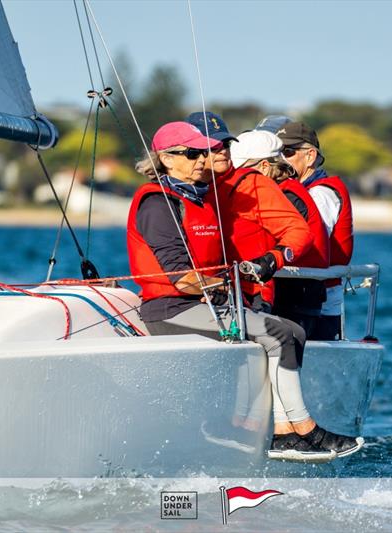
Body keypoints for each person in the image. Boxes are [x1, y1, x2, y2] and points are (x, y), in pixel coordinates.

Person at [128, 121, 360, 461]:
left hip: (204, 301)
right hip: (170, 308)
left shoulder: (201, 198)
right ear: (166, 159)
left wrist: (258, 269)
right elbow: (181, 278)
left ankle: (282, 432)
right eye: (193, 154)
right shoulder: (158, 203)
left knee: (291, 330)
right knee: (280, 333)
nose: (203, 160)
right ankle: (305, 429)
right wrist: (230, 286)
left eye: (205, 152)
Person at [186, 111, 311, 315]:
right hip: (194, 293)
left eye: (226, 144)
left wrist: (273, 259)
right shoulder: (177, 190)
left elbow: (299, 232)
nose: (224, 151)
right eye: (214, 147)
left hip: (248, 295)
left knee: (287, 335)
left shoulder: (253, 183)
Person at [229, 130, 330, 337]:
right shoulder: (281, 189)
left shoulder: (287, 195)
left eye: (241, 169)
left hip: (296, 297)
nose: (234, 176)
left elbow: (293, 239)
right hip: (282, 292)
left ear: (264, 167)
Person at [277, 122, 354, 341]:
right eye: (277, 153)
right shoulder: (298, 191)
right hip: (301, 295)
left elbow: (308, 236)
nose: (280, 159)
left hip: (319, 301)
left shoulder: (322, 194)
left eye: (288, 152)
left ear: (310, 156)